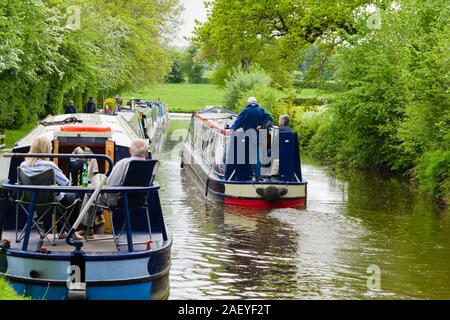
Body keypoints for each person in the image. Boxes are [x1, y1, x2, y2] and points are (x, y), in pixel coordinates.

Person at [76, 139, 150, 238]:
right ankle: (93, 226)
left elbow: (111, 184)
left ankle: (86, 228)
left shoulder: (124, 163)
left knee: (91, 190)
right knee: (97, 182)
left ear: (129, 150)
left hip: (117, 200)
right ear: (146, 153)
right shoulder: (149, 165)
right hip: (140, 200)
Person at [19, 137, 79, 238]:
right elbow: (66, 183)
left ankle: (56, 230)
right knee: (75, 196)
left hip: (31, 202)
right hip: (51, 202)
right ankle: (65, 231)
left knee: (58, 198)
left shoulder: (23, 165)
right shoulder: (49, 165)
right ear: (46, 150)